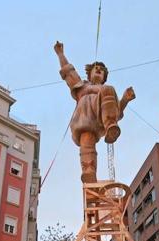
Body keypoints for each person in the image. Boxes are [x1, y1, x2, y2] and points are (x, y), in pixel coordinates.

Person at [54, 41, 135, 183]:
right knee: (86, 141)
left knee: (108, 90)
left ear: (104, 77)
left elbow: (115, 110)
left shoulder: (105, 90)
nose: (98, 69)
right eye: (95, 68)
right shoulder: (81, 86)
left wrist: (124, 100)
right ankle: (88, 171)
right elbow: (68, 72)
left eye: (101, 70)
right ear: (89, 73)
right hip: (85, 121)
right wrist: (60, 54)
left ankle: (110, 127)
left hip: (100, 118)